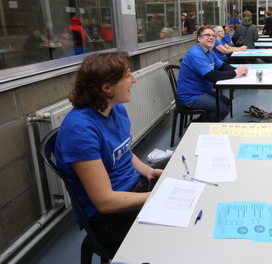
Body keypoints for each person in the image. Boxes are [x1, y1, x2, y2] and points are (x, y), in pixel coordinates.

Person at [55, 52, 163, 252]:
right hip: (110, 219)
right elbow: (105, 202)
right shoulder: (80, 130)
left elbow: (122, 151)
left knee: (183, 174)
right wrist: (158, 195)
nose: (134, 80)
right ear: (107, 88)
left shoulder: (115, 108)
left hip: (134, 188)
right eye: (128, 76)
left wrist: (148, 170)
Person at [177, 26, 248, 121]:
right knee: (223, 109)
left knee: (226, 101)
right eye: (207, 35)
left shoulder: (209, 51)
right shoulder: (196, 54)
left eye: (213, 36)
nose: (211, 37)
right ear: (199, 38)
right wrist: (235, 73)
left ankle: (202, 119)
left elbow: (222, 66)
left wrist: (239, 70)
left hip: (202, 90)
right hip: (191, 96)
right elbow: (212, 76)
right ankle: (197, 126)